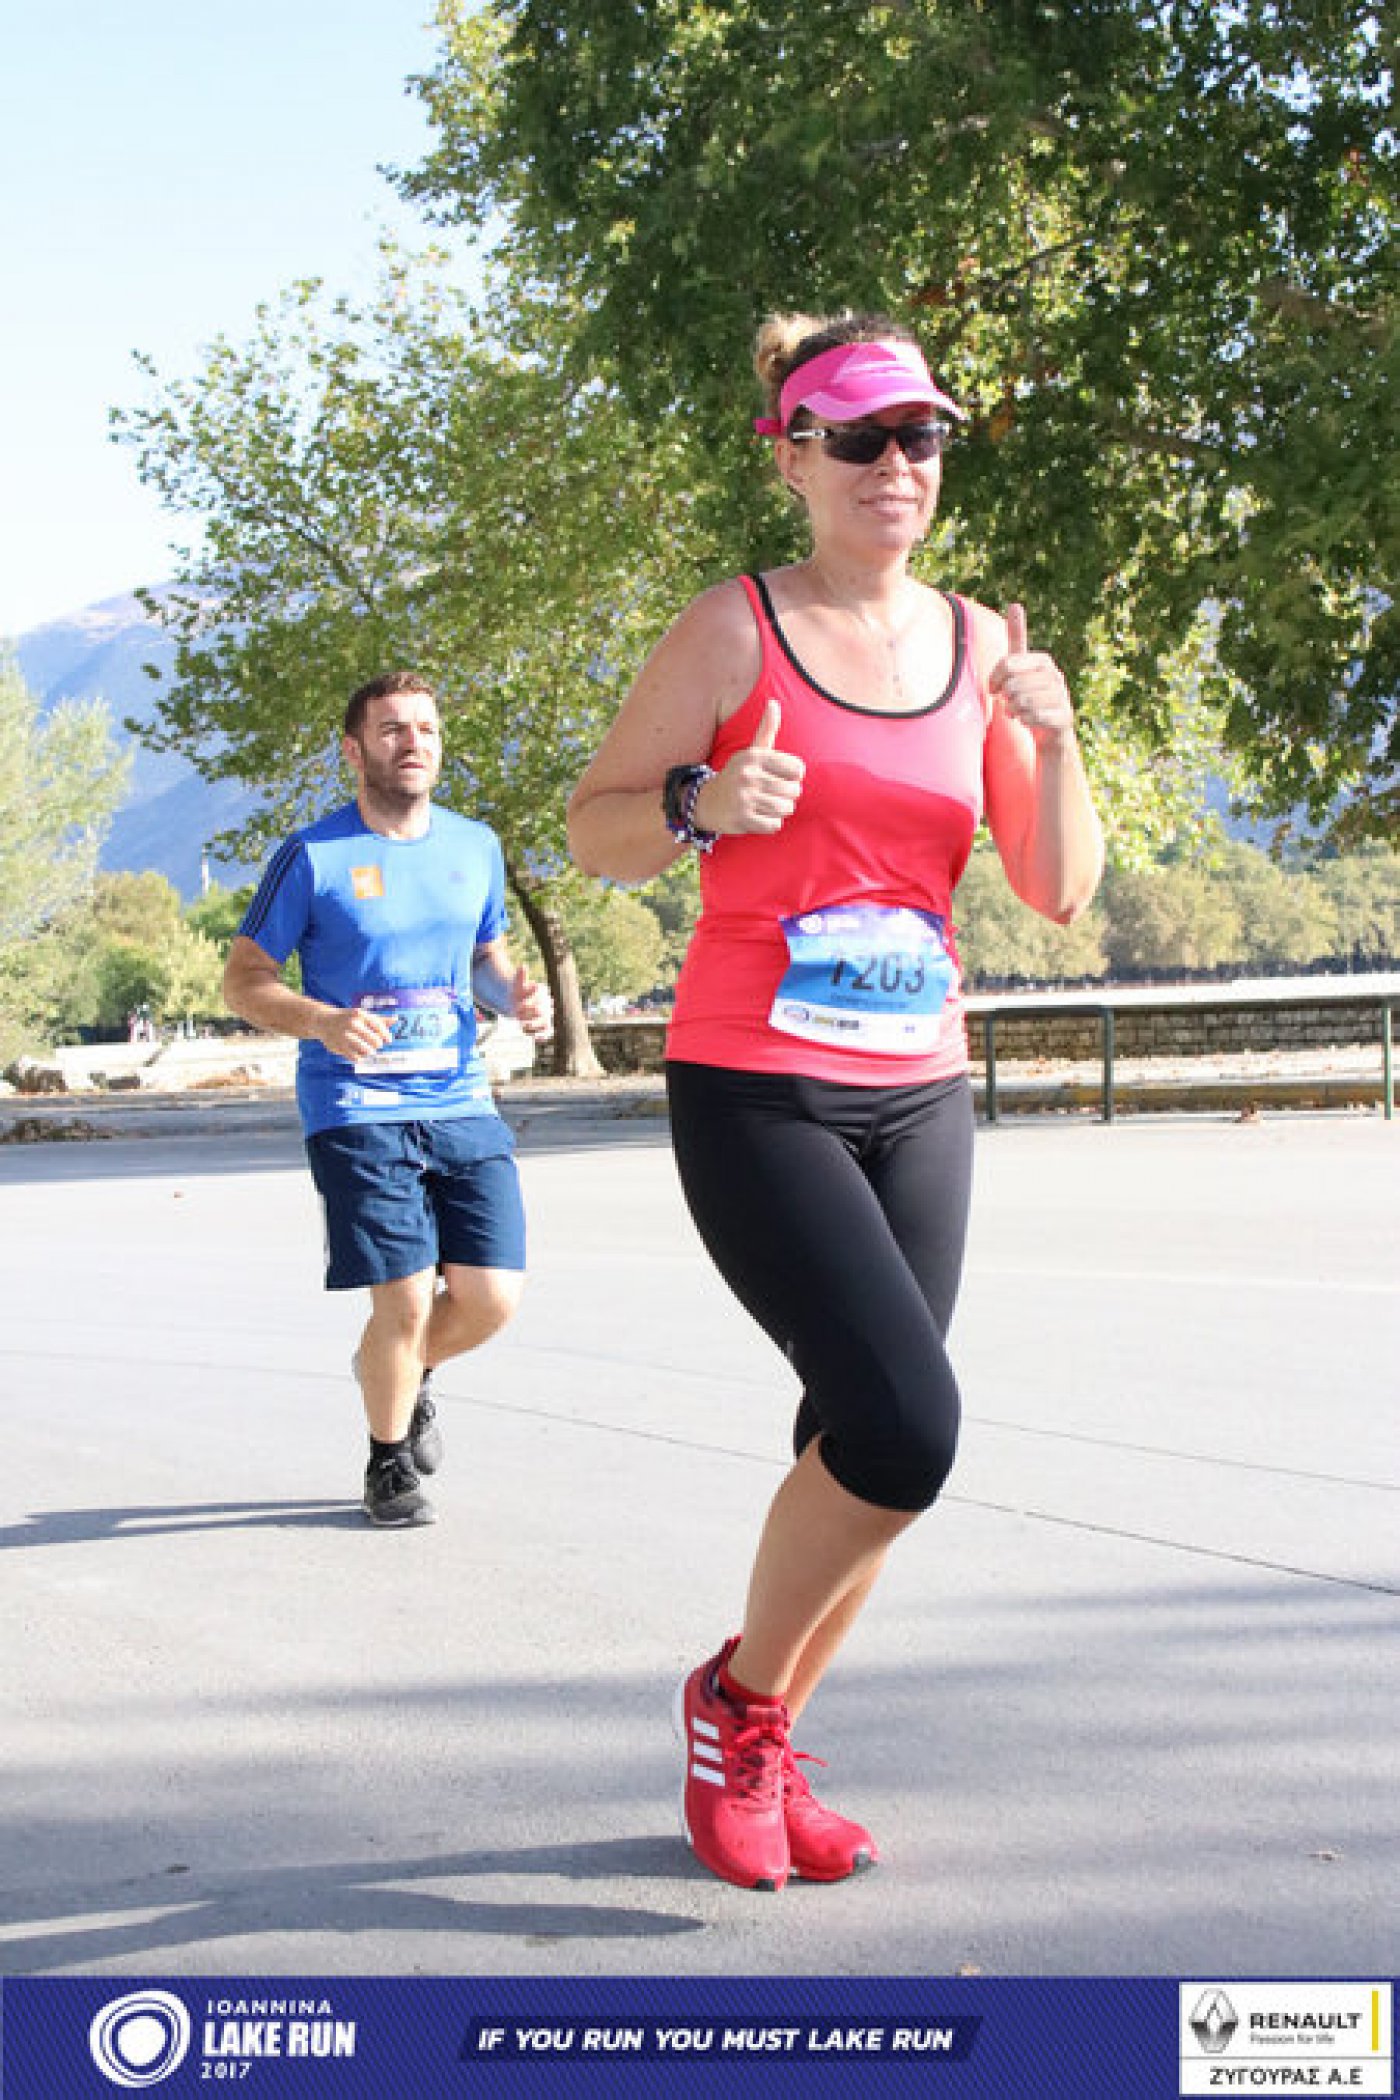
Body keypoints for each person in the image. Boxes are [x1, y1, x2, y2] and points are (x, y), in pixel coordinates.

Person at [567, 311, 1103, 1891]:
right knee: (906, 1427)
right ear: (791, 457)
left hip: (920, 1091)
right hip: (759, 1086)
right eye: (858, 438)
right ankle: (735, 1714)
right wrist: (699, 801)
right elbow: (596, 830)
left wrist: (1057, 737)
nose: (894, 464)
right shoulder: (733, 631)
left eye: (919, 434)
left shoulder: (983, 644)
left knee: (849, 1439)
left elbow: (1058, 888)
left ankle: (769, 1735)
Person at [224, 671, 553, 1529]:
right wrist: (322, 1021)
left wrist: (515, 996)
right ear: (354, 750)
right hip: (355, 1107)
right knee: (403, 1302)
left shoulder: (475, 845)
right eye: (392, 729)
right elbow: (244, 981)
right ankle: (388, 1462)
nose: (413, 743)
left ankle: (403, 1372)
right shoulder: (313, 856)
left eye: (426, 729)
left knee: (491, 1298)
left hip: (460, 1099)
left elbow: (484, 958)